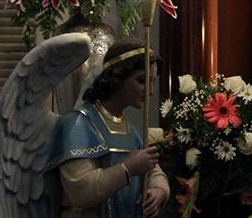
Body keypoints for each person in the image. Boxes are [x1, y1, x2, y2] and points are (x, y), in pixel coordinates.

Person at [46, 39, 170, 218]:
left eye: (152, 82)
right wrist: (126, 169)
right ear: (117, 77)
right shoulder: (78, 125)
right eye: (142, 81)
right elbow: (80, 191)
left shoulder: (129, 129)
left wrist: (159, 190)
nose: (150, 91)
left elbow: (153, 170)